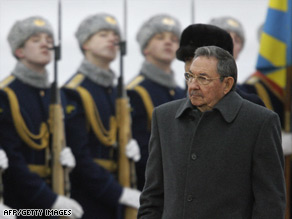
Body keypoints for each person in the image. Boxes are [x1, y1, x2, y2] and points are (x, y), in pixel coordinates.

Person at [138, 46, 286, 218]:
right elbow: (152, 196)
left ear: (227, 84)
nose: (193, 86)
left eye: (203, 79)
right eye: (190, 76)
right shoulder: (164, 117)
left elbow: (270, 203)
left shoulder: (260, 122)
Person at [0, 16, 83, 218]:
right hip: (21, 203)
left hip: (56, 191)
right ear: (19, 51)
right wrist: (50, 200)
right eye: (36, 39)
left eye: (48, 39)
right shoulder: (6, 94)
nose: (46, 43)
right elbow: (13, 159)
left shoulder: (58, 95)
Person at [62, 13, 141, 219]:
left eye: (115, 35)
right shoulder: (75, 91)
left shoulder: (117, 92)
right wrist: (118, 193)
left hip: (118, 195)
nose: (112, 39)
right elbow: (80, 156)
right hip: (90, 199)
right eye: (103, 34)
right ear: (85, 44)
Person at [126, 14, 185, 191]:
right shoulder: (134, 91)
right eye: (160, 38)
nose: (169, 43)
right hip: (153, 186)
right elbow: (142, 148)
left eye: (174, 39)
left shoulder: (184, 93)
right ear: (146, 48)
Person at [176, 23, 265, 106]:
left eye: (202, 60)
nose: (193, 67)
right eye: (188, 60)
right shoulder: (171, 111)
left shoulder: (253, 110)